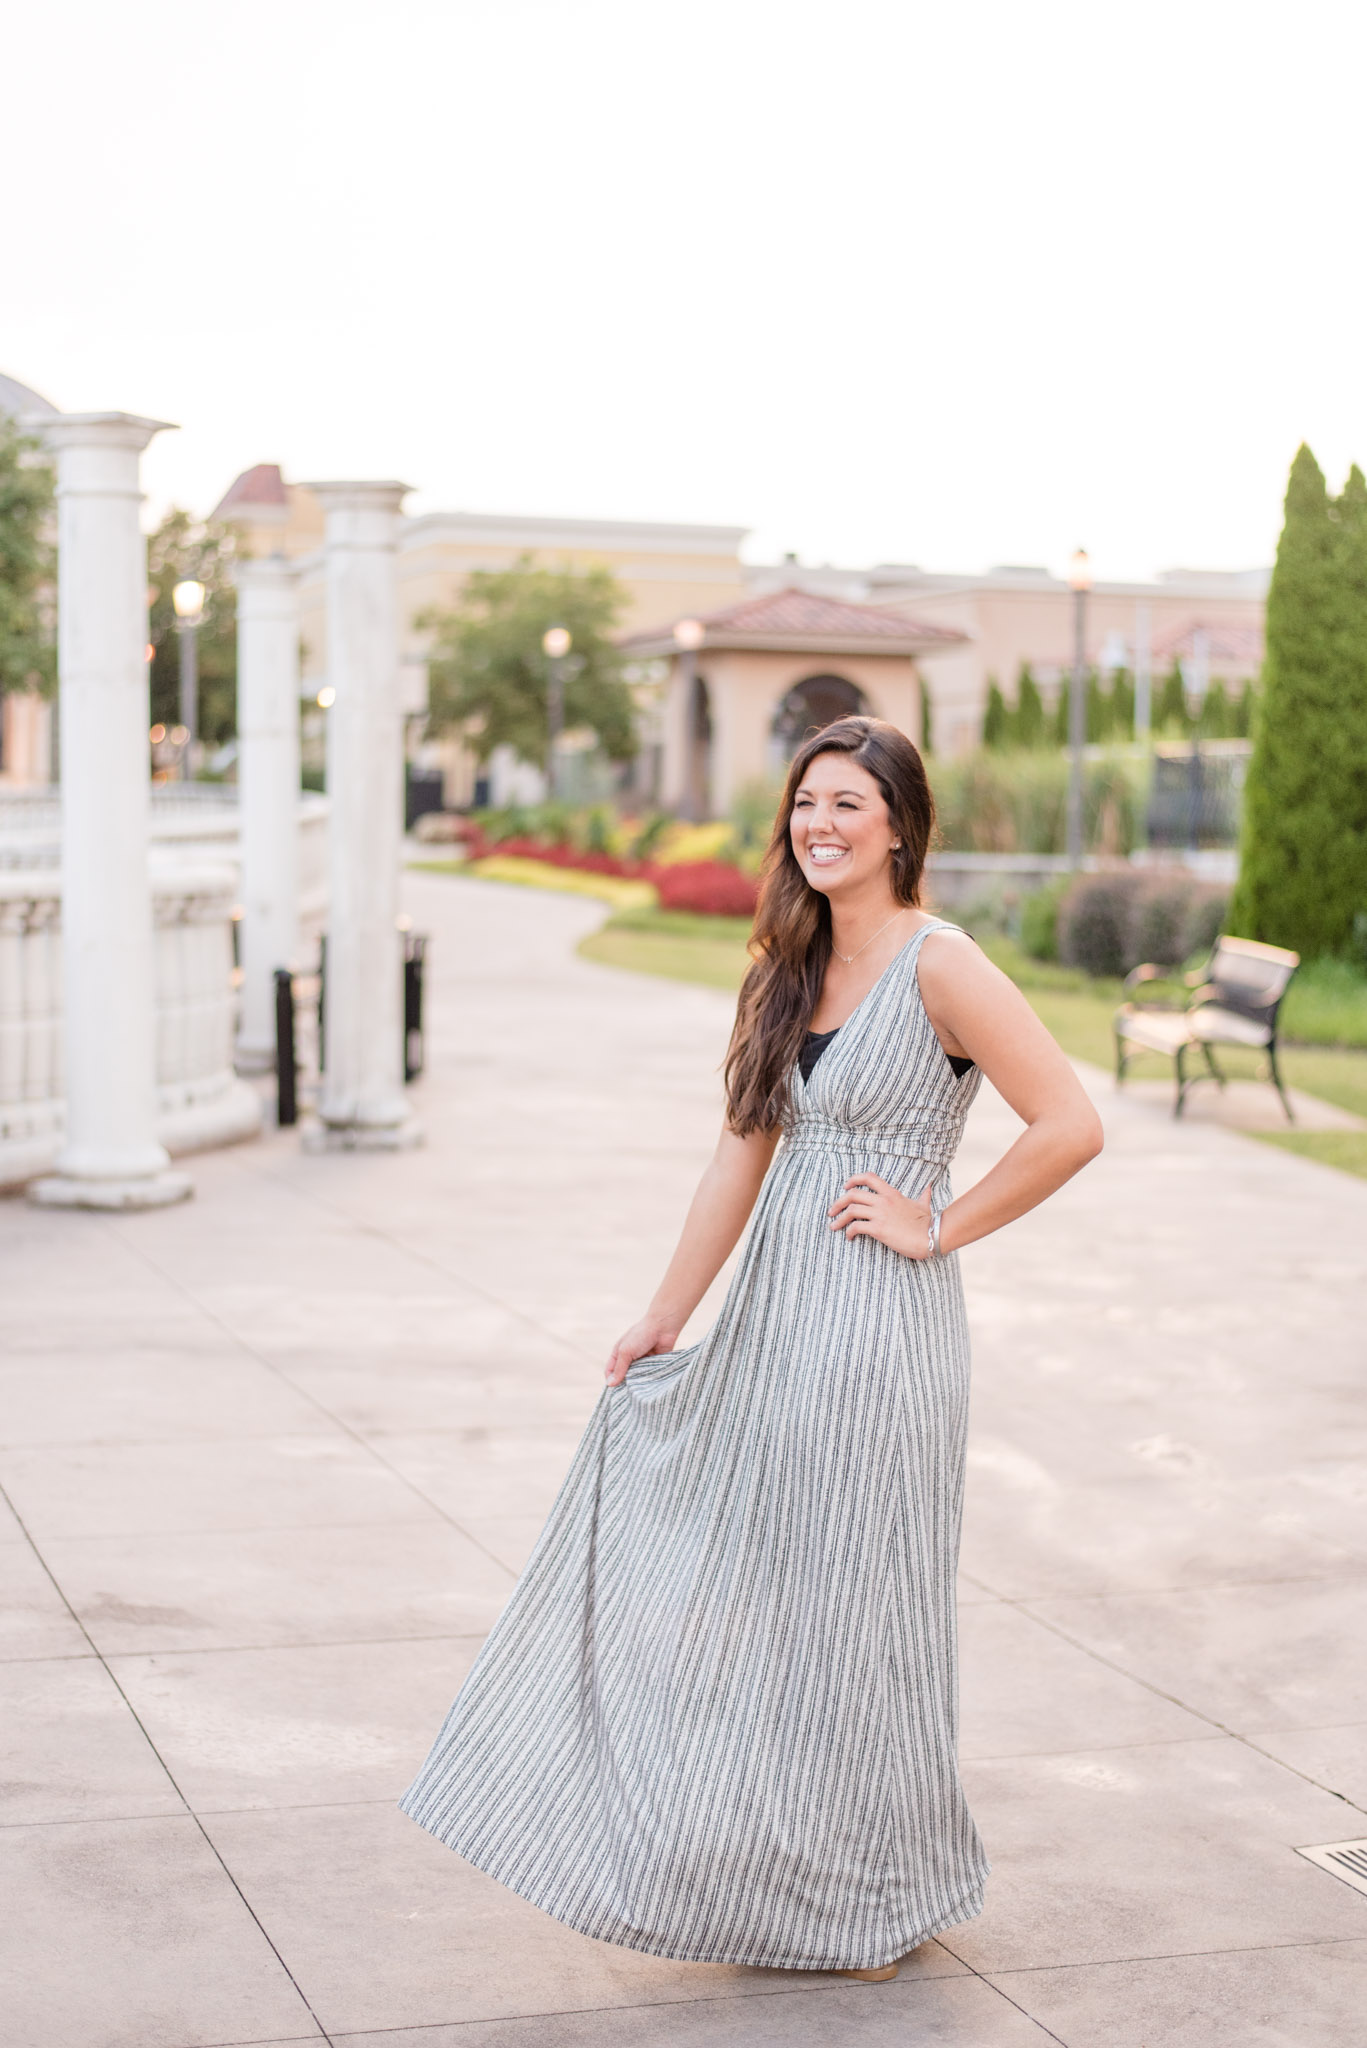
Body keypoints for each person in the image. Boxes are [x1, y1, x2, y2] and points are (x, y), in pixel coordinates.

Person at [402, 715, 1103, 1979]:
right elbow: (740, 1150)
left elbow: (1068, 1121)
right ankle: (791, 1871)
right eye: (805, 804)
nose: (820, 825)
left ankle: (871, 1897)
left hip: (878, 1337)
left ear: (899, 823)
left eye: (848, 803)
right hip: (773, 1322)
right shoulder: (787, 959)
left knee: (858, 1608)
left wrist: (937, 1223)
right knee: (775, 1605)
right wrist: (665, 1311)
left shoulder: (941, 963)